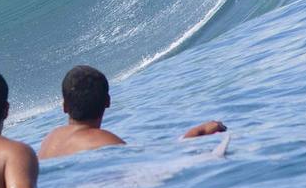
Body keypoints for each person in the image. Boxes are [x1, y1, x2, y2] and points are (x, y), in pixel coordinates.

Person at [38, 64, 226, 160]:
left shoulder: (49, 141)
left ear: (64, 106)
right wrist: (191, 137)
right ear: (108, 102)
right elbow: (150, 166)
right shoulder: (105, 142)